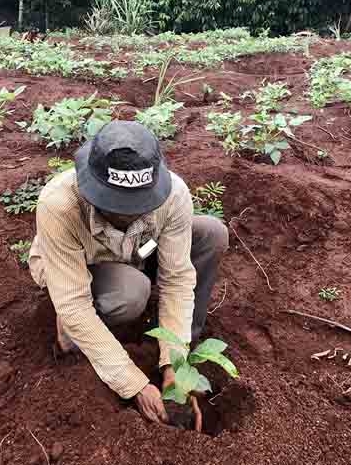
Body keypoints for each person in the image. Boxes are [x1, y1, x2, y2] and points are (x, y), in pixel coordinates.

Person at [28, 121, 228, 424]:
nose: (126, 212)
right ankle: (73, 338)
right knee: (130, 292)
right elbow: (74, 303)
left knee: (211, 233)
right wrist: (133, 384)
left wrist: (174, 365)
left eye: (136, 205)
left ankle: (178, 339)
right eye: (115, 204)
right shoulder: (59, 205)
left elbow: (176, 279)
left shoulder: (174, 195)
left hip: (137, 251)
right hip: (79, 267)